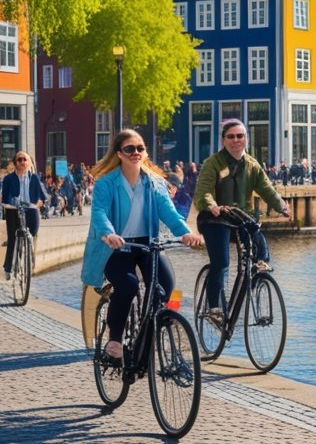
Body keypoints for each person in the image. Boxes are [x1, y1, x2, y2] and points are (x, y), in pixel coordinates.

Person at [81, 130, 203, 360]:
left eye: (140, 148)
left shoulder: (155, 183)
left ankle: (148, 331)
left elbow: (169, 213)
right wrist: (108, 234)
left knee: (166, 286)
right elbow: (99, 212)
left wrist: (186, 233)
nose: (135, 153)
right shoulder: (106, 183)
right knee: (127, 285)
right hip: (117, 247)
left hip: (148, 245)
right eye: (129, 149)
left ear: (146, 152)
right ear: (119, 153)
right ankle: (115, 338)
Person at [193, 119, 289, 324]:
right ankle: (214, 306)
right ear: (224, 140)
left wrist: (282, 205)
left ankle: (259, 269)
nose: (236, 140)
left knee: (258, 237)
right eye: (231, 136)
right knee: (221, 262)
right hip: (215, 219)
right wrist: (211, 205)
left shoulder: (253, 165)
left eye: (240, 136)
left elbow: (266, 189)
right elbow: (203, 192)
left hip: (240, 217)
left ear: (246, 138)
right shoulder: (213, 163)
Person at [0, 151, 45, 280]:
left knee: (32, 233)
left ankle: (29, 260)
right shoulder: (8, 179)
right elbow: (5, 198)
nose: (22, 162)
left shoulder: (34, 178)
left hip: (30, 209)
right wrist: (8, 204)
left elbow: (42, 196)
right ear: (15, 163)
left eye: (25, 160)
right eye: (19, 160)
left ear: (28, 162)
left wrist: (40, 202)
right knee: (13, 239)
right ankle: (8, 267)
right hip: (13, 210)